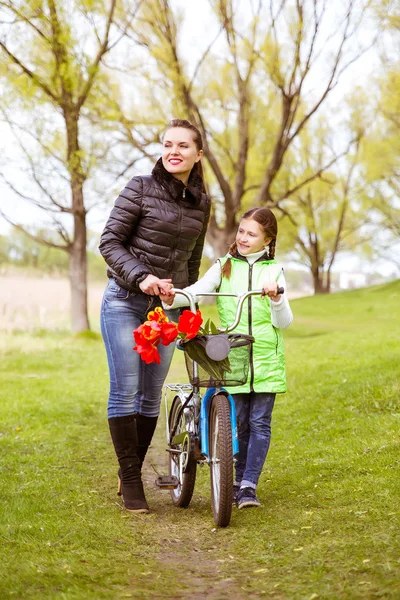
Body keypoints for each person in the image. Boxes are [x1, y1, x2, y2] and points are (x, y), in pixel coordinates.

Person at [99, 119, 210, 513]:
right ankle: (131, 479)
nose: (173, 151)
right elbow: (109, 241)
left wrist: (184, 301)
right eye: (167, 144)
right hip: (124, 301)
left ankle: (127, 470)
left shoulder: (202, 204)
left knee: (151, 397)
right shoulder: (140, 188)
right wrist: (142, 277)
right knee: (125, 389)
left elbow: (192, 263)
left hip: (165, 313)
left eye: (183, 145)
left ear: (199, 154)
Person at [161, 207, 293, 509]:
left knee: (259, 422)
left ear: (267, 239)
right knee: (239, 422)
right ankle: (232, 481)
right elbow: (196, 292)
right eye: (242, 231)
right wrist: (174, 297)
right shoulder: (223, 266)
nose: (244, 238)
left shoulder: (273, 271)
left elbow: (284, 322)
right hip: (232, 356)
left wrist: (276, 299)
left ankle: (248, 486)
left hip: (264, 358)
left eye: (252, 234)